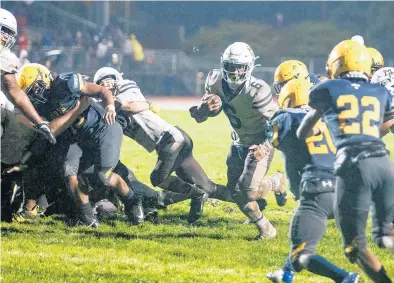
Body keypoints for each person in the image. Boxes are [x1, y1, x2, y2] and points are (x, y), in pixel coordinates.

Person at [297, 39, 394, 283]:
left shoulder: (326, 89)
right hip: (383, 162)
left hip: (353, 164)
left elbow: (302, 131)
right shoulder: (380, 91)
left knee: (354, 245)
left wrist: (312, 129)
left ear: (334, 65)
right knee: (387, 236)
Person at [16, 63, 144, 227]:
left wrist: (110, 106)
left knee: (101, 176)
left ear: (44, 80)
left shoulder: (65, 82)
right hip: (78, 138)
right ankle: (88, 218)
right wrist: (75, 110)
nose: (33, 95)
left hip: (103, 127)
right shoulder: (39, 105)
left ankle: (132, 200)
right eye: (29, 92)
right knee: (69, 172)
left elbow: (101, 90)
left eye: (34, 89)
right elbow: (52, 130)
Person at [265, 79, 360, 283]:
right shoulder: (328, 117)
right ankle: (285, 273)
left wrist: (296, 189)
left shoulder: (286, 117)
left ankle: (346, 278)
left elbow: (285, 152)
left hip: (318, 191)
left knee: (301, 252)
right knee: (302, 236)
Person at [189, 42, 287, 239]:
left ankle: (268, 225)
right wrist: (203, 111)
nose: (235, 71)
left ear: (249, 66)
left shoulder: (257, 89)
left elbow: (276, 124)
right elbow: (207, 114)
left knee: (247, 193)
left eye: (239, 66)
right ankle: (273, 186)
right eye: (231, 66)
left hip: (259, 143)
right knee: (236, 192)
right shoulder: (215, 80)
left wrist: (264, 147)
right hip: (237, 141)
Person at [0, 8, 56, 144]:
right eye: (3, 30)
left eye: (9, 33)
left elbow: (14, 91)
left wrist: (39, 122)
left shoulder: (4, 55)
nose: (6, 37)